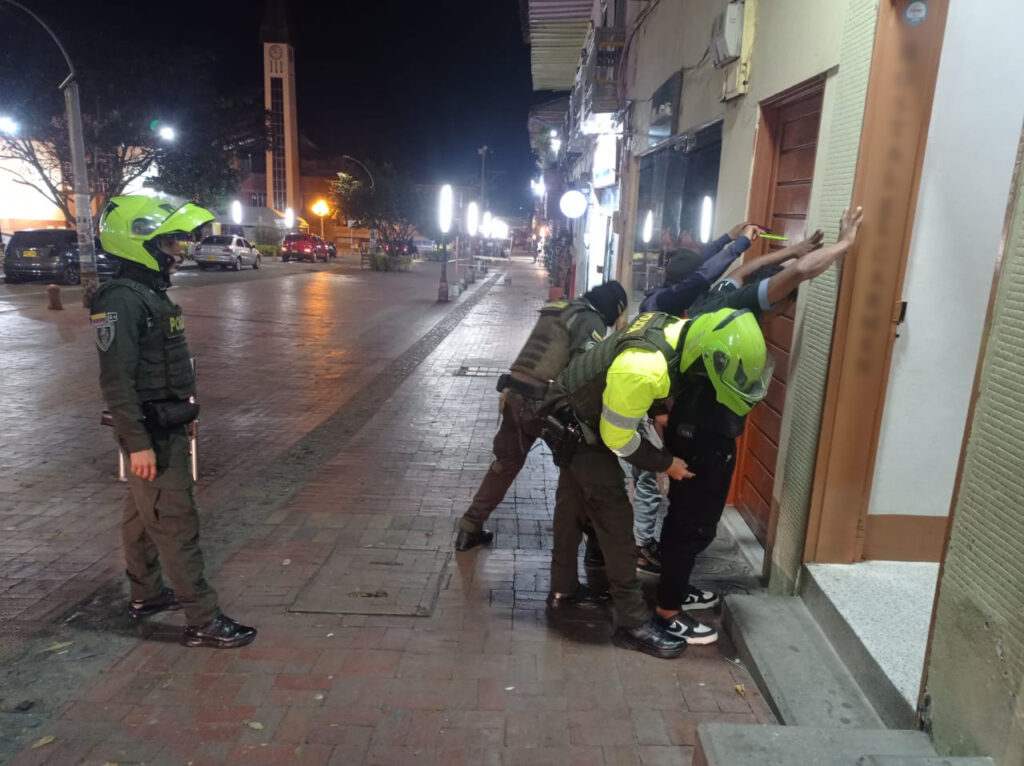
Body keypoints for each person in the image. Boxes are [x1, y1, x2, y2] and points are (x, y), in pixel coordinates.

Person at [654, 207, 863, 646]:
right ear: (777, 302)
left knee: (688, 520)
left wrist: (795, 247)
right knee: (693, 525)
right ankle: (667, 612)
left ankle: (675, 589)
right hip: (706, 435)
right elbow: (799, 273)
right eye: (783, 310)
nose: (778, 319)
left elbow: (747, 267)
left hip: (688, 423)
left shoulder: (717, 296)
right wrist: (843, 246)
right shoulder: (748, 304)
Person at [544, 306, 773, 658]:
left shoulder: (676, 330)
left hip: (577, 407)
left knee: (571, 503)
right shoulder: (643, 367)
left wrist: (656, 413)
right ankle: (632, 623)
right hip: (581, 426)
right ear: (705, 354)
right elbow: (617, 439)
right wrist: (666, 464)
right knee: (616, 521)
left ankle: (563, 589)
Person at [92, 195, 257, 649]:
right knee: (176, 522)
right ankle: (203, 619)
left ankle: (146, 595)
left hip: (163, 423)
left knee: (143, 516)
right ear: (137, 244)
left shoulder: (146, 294)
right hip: (149, 433)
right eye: (167, 243)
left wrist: (183, 413)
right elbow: (116, 380)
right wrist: (138, 443)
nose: (176, 251)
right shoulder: (122, 300)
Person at [630, 222, 765, 575]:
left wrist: (728, 238)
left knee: (647, 475)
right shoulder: (667, 303)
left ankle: (636, 543)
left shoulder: (664, 292)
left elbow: (697, 265)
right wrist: (740, 245)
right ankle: (640, 546)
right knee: (646, 476)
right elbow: (702, 274)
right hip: (642, 398)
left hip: (652, 395)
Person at [455, 280, 629, 552]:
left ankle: (469, 528)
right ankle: (594, 536)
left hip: (513, 394)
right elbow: (584, 370)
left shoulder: (563, 307)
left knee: (505, 465)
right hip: (543, 404)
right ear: (613, 308)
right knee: (582, 464)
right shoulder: (590, 319)